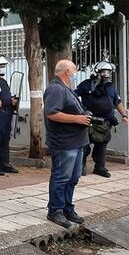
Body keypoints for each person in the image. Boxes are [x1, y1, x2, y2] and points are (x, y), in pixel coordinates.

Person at [43, 59, 92, 228]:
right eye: (74, 70)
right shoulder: (56, 89)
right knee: (61, 177)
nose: (75, 73)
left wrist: (84, 115)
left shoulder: (67, 89)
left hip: (77, 142)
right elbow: (52, 113)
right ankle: (55, 210)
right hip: (64, 143)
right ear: (68, 72)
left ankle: (66, 207)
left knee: (73, 177)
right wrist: (77, 118)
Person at [75, 61, 128, 178]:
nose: (106, 75)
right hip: (88, 122)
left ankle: (100, 167)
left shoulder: (111, 88)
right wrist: (79, 112)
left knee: (102, 146)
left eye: (108, 72)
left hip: (105, 123)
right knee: (84, 145)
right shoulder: (86, 85)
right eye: (103, 72)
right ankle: (81, 166)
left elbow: (117, 102)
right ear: (97, 72)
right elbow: (73, 96)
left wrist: (124, 115)